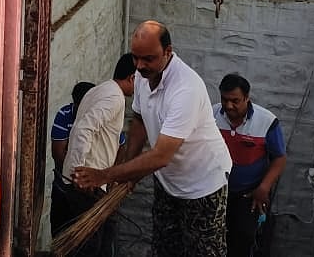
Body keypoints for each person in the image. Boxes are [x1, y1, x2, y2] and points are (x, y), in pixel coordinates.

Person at [74, 20, 232, 257]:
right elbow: (139, 121)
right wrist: (128, 171)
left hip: (203, 185)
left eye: (148, 58)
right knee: (163, 249)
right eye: (136, 58)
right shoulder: (141, 79)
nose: (140, 65)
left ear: (168, 52)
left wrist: (105, 175)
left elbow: (161, 155)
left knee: (203, 252)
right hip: (168, 184)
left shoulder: (185, 89)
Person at [55, 53, 138, 256]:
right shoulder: (114, 97)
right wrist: (80, 173)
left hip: (90, 182)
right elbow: (83, 129)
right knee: (91, 248)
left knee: (100, 242)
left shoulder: (101, 90)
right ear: (132, 78)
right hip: (88, 184)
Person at [214, 73, 287, 257]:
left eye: (235, 101)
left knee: (243, 241)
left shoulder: (267, 121)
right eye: (225, 99)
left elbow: (279, 158)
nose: (229, 106)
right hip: (214, 193)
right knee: (213, 240)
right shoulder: (210, 115)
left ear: (247, 98)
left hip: (249, 195)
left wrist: (263, 188)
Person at [50, 81, 95, 235]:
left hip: (93, 185)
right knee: (61, 230)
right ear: (76, 104)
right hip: (66, 184)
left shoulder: (98, 115)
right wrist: (77, 179)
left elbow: (120, 143)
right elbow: (58, 154)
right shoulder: (65, 115)